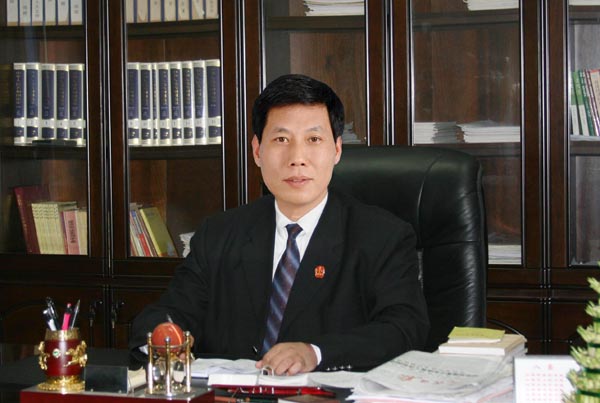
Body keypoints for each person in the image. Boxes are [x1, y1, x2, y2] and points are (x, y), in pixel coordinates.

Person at [129, 74, 429, 375]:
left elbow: (403, 327)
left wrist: (316, 353)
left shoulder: (382, 236)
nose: (297, 158)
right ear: (257, 151)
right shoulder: (218, 234)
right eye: (281, 139)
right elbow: (172, 312)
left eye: (313, 139)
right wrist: (162, 336)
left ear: (337, 150)